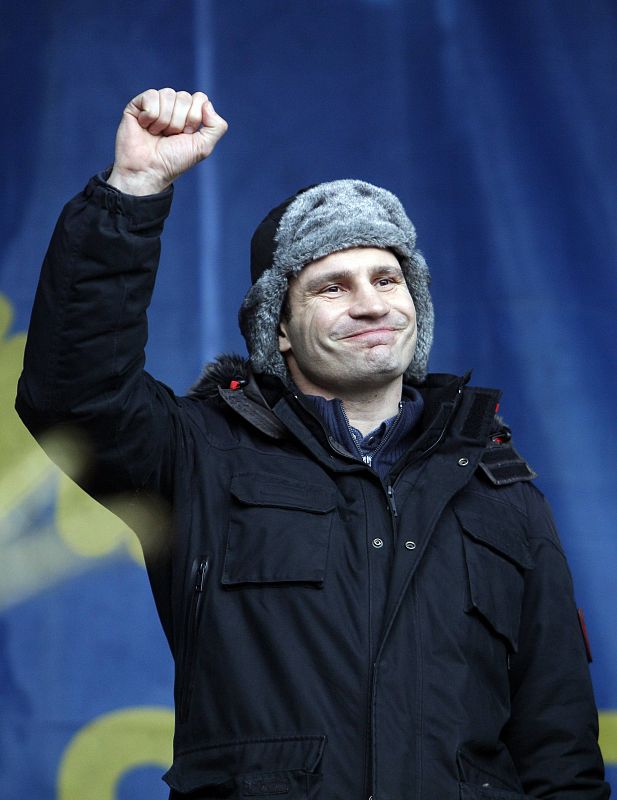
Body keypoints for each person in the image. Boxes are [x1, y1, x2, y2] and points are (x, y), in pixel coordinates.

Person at [16, 88, 609, 799]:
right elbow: (73, 393)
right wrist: (133, 191)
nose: (369, 302)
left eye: (387, 278)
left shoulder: (502, 492)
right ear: (277, 329)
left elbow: (558, 748)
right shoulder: (197, 455)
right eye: (331, 287)